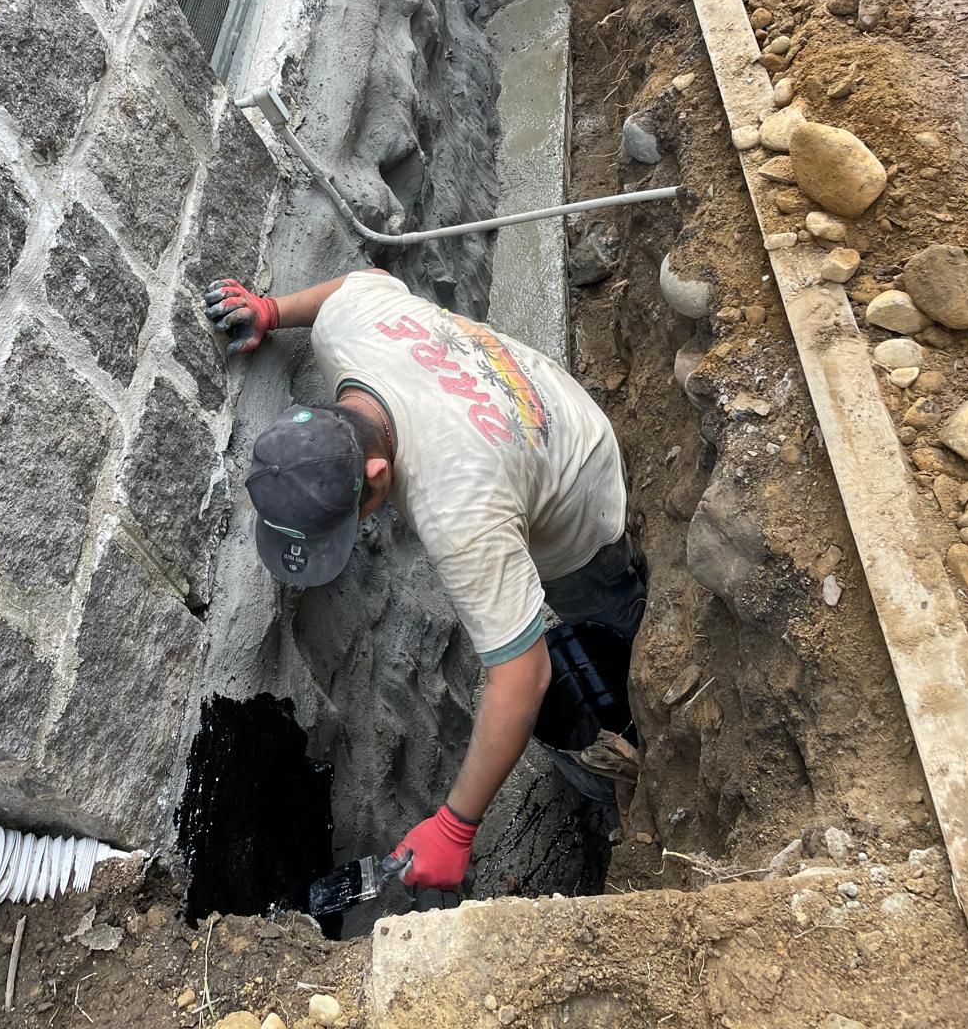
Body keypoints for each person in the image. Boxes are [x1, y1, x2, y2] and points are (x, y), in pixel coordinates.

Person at [204, 268, 647, 892]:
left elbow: (524, 674)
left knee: (604, 609)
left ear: (378, 475)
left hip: (580, 482)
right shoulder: (344, 333)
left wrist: (456, 826)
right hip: (532, 397)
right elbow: (365, 281)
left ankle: (637, 662)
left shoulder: (458, 505)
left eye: (345, 524)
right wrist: (272, 311)